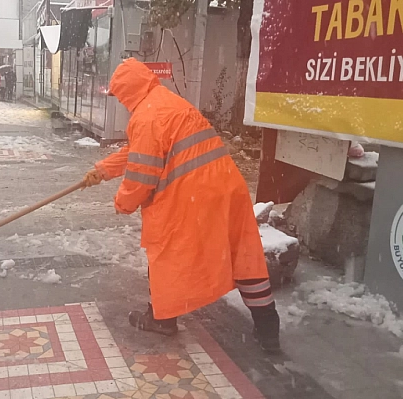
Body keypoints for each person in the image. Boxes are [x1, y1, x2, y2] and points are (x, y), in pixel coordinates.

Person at [82, 58, 280, 353]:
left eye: (120, 96)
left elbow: (142, 174)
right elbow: (141, 150)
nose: (121, 102)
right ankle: (268, 327)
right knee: (244, 255)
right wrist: (104, 169)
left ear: (128, 90)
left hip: (190, 195)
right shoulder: (168, 103)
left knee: (164, 253)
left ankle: (162, 318)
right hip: (227, 188)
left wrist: (123, 202)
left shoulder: (146, 116)